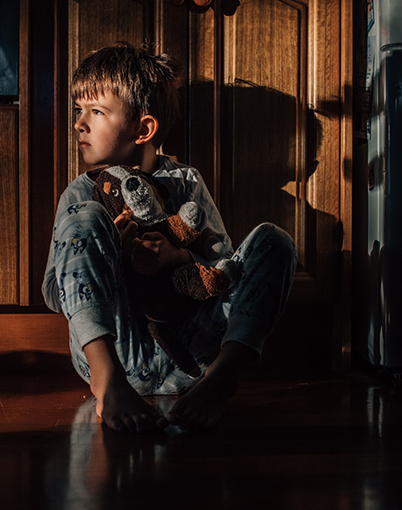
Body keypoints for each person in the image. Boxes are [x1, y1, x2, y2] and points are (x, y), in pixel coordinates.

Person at [42, 42, 296, 433]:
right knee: (83, 218)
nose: (79, 123)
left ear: (143, 129)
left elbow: (223, 272)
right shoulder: (81, 192)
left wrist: (176, 257)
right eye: (79, 110)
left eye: (96, 112)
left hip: (193, 355)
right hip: (117, 353)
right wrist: (113, 257)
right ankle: (108, 384)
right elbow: (53, 292)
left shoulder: (186, 180)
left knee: (275, 240)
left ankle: (222, 378)